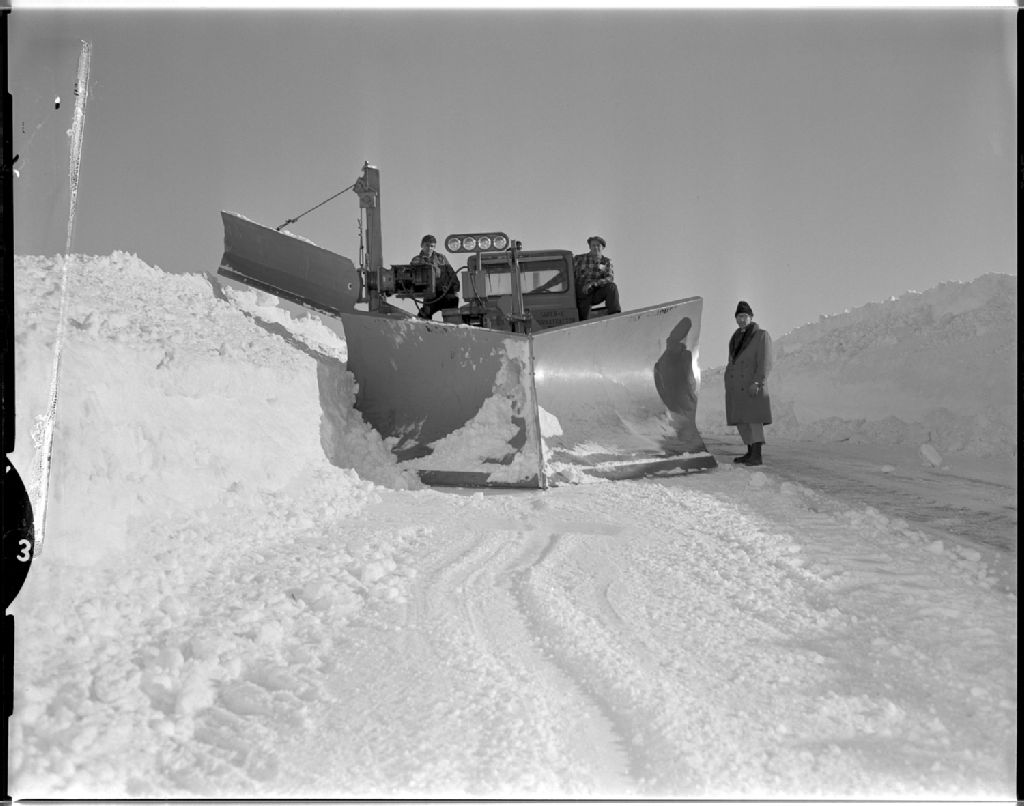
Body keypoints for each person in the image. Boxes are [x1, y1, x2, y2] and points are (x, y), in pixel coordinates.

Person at [724, 300, 773, 466]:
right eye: (739, 316)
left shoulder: (761, 335)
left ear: (751, 317)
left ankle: (757, 455)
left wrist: (758, 382)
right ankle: (750, 452)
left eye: (745, 316)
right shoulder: (735, 338)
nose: (741, 319)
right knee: (743, 421)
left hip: (752, 385)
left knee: (754, 420)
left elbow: (765, 362)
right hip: (737, 388)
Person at [411, 234, 460, 320]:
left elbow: (451, 272)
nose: (429, 248)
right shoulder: (416, 260)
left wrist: (455, 287)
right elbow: (412, 277)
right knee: (425, 314)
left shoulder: (441, 258)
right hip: (430, 294)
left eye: (432, 246)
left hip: (445, 293)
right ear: (422, 245)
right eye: (427, 245)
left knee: (452, 309)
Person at [573, 235, 621, 321]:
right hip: (580, 293)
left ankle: (615, 316)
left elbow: (609, 277)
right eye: (593, 245)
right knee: (583, 320)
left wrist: (594, 283)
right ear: (590, 247)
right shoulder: (579, 259)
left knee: (612, 287)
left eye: (598, 245)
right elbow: (564, 274)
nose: (595, 248)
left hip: (595, 292)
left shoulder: (606, 261)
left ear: (603, 247)